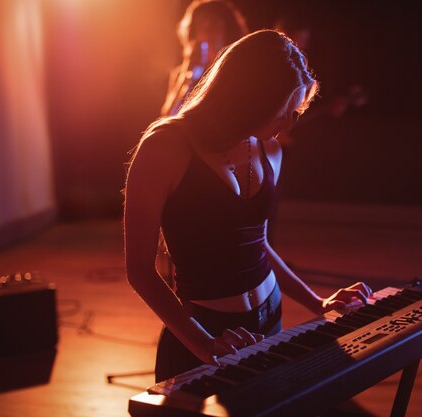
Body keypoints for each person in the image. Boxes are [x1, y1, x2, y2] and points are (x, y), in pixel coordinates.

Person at [124, 29, 373, 384]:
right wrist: (202, 342)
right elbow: (139, 270)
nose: (289, 124)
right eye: (282, 112)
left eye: (296, 112)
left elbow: (258, 244)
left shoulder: (270, 148)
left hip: (269, 314)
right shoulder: (165, 148)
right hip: (203, 326)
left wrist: (317, 303)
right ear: (248, 99)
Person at [156, 0, 249, 282]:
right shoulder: (183, 73)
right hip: (184, 169)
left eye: (215, 25)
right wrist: (189, 74)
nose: (208, 32)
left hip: (222, 168)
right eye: (202, 27)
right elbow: (164, 122)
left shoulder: (236, 75)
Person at [160, 0, 248, 117]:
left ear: (228, 30)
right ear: (193, 33)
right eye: (202, 24)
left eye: (215, 24)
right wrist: (187, 77)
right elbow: (167, 118)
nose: (208, 31)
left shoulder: (239, 73)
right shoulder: (181, 75)